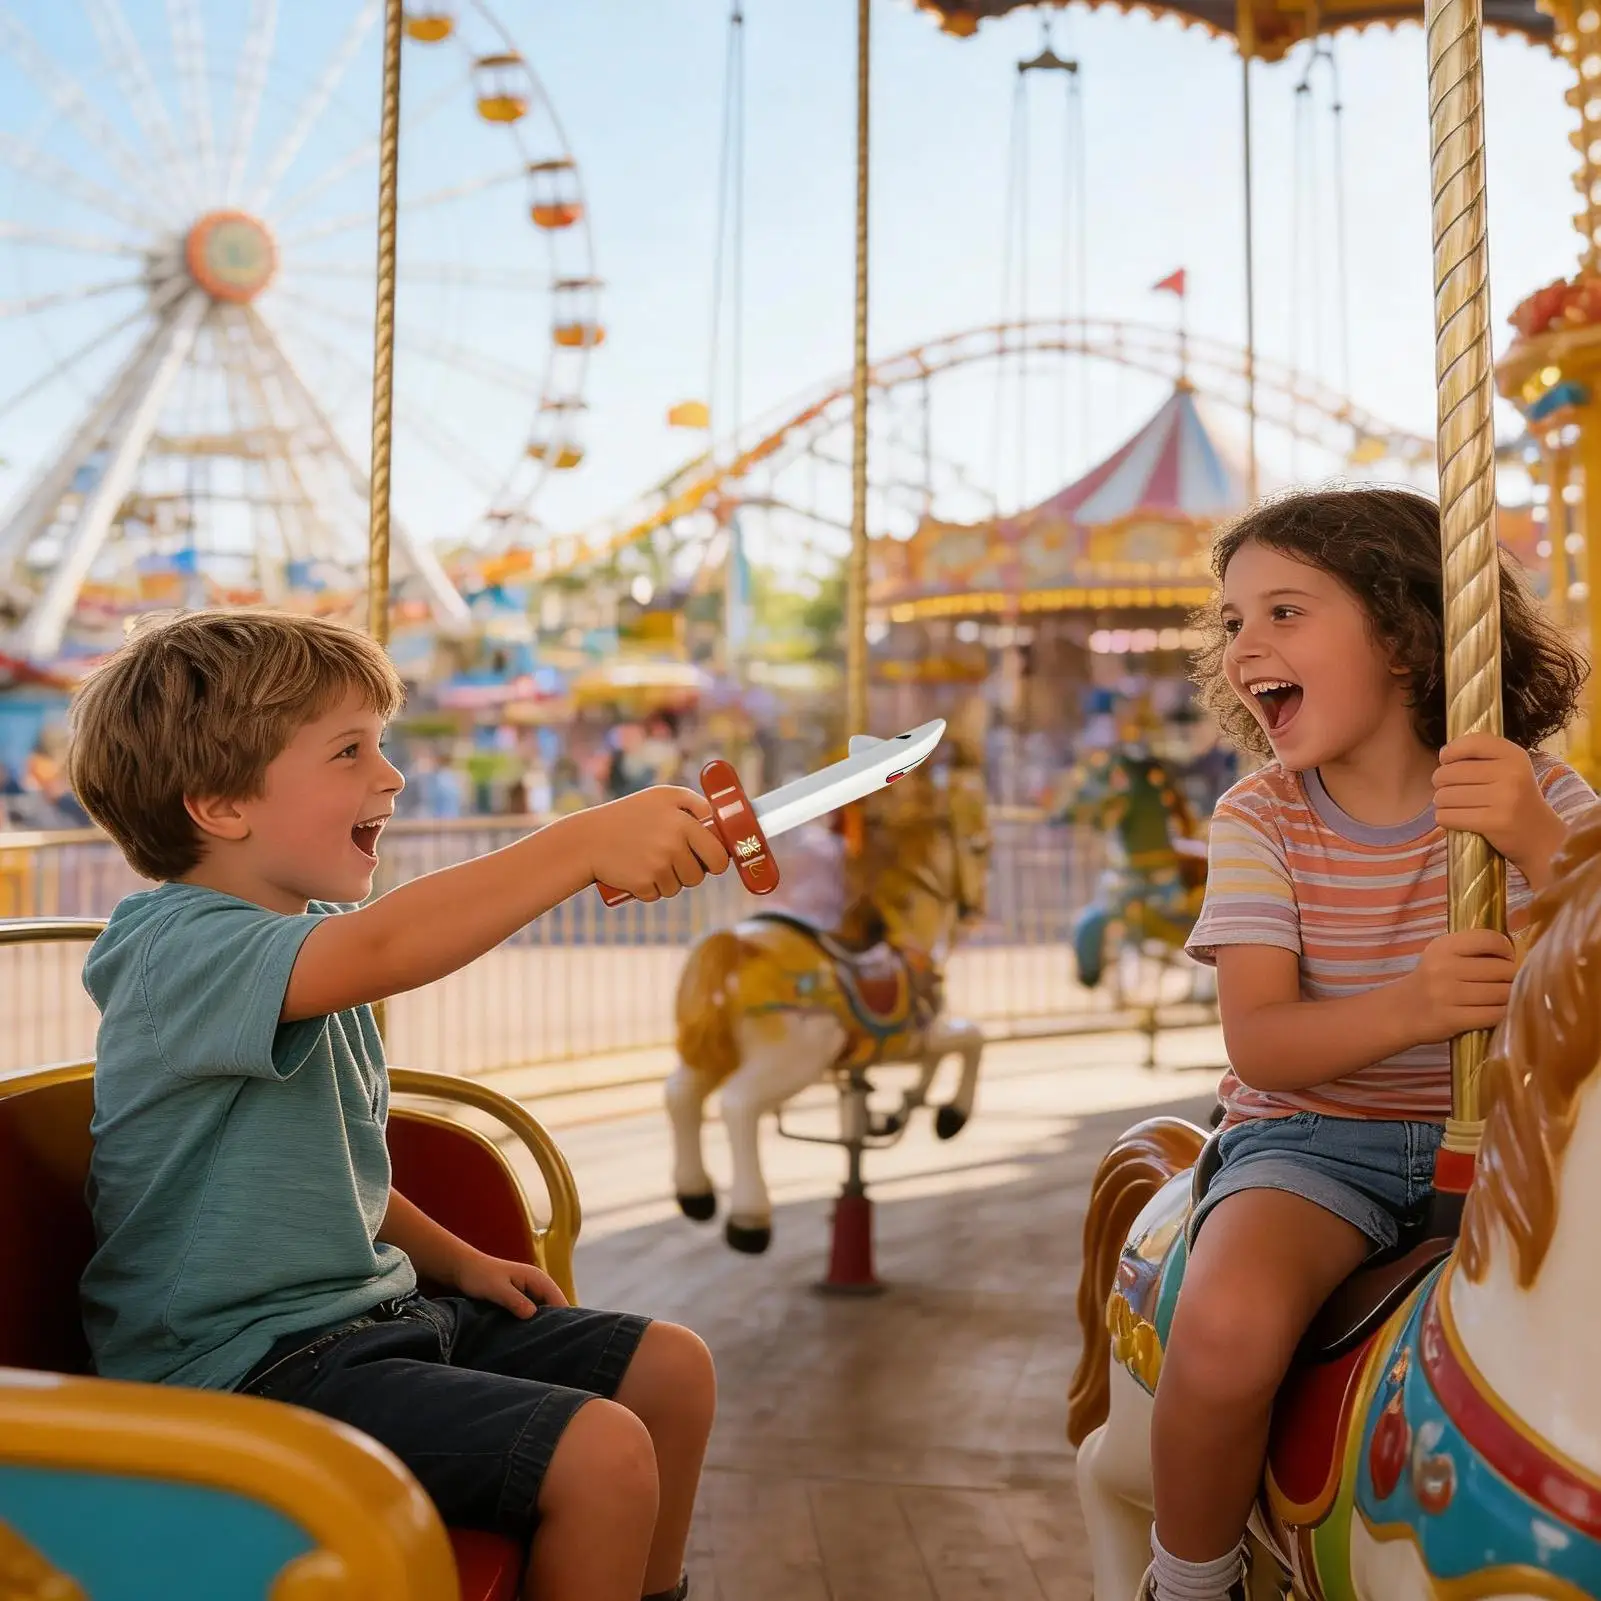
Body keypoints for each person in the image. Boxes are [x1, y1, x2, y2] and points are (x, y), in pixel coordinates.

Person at [66, 609, 730, 1601]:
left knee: (671, 1368)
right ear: (218, 804)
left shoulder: (314, 939)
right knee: (597, 1451)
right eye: (349, 750)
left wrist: (457, 1256)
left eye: (380, 743)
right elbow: (389, 944)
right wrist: (579, 842)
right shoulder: (176, 949)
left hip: (368, 1317)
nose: (391, 775)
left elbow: (331, 1165)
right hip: (239, 1369)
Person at [1148, 487, 1593, 1601]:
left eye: (1284, 612)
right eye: (1232, 619)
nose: (1245, 644)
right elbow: (1260, 1042)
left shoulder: (1533, 792)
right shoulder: (1263, 819)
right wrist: (1411, 1005)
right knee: (1227, 1328)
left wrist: (1540, 844)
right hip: (1315, 1145)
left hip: (1516, 1148)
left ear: (1405, 632)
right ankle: (1187, 1578)